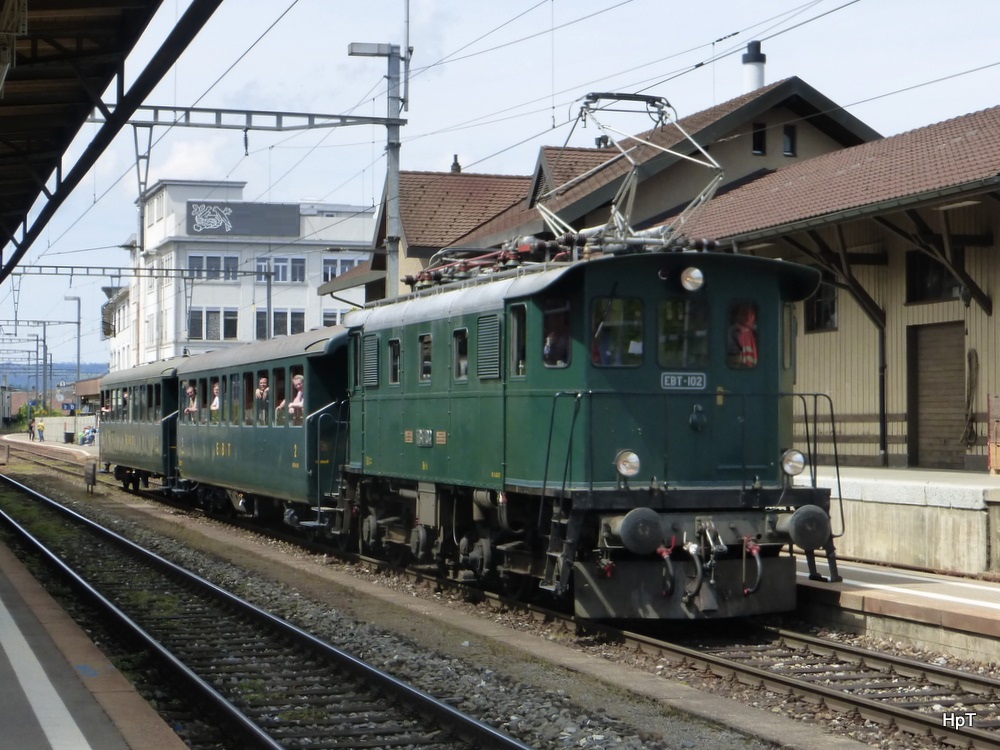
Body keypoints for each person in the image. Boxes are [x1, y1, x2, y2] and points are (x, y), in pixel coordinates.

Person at [728, 303, 758, 368]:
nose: (747, 316)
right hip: (738, 360)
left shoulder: (732, 329)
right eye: (745, 314)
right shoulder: (745, 332)